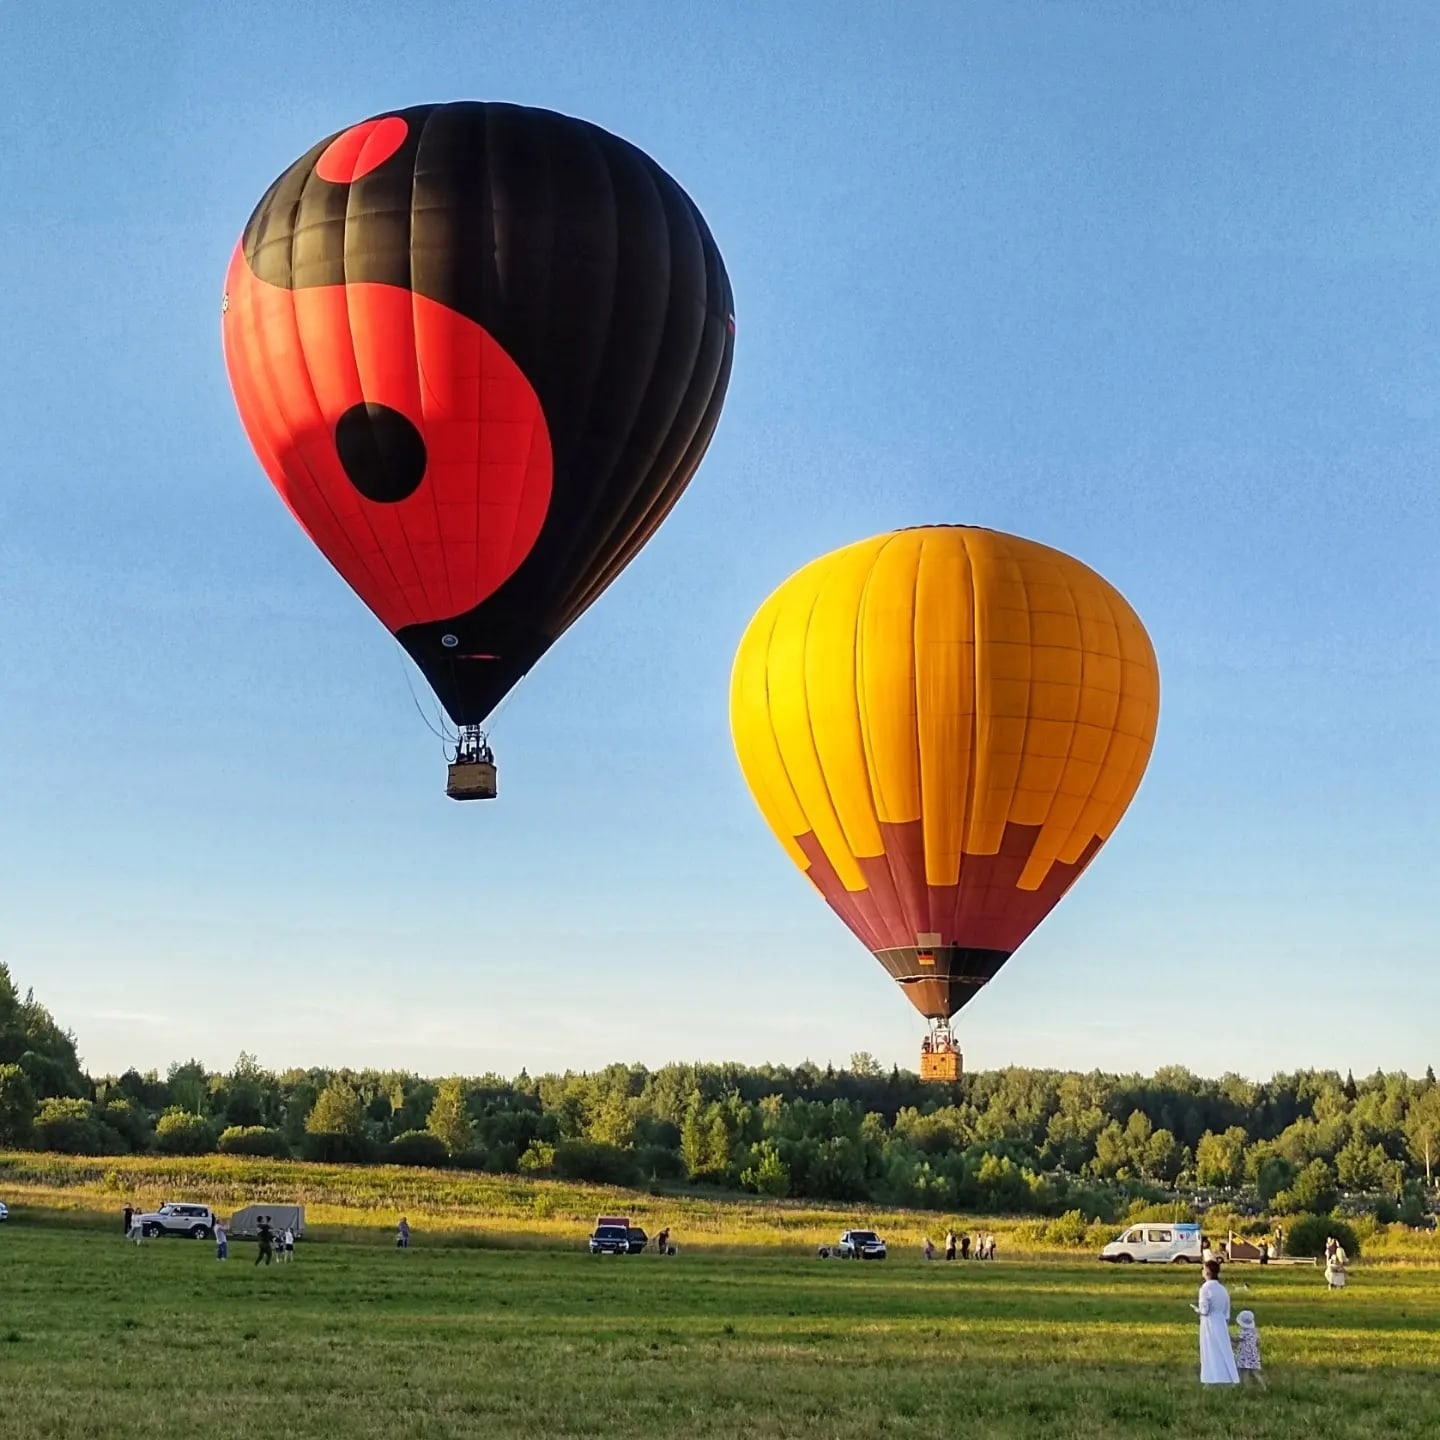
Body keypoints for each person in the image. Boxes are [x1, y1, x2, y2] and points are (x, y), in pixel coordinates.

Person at [1191, 1259, 1239, 1385]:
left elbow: (1205, 1309)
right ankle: (1228, 1377)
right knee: (1223, 1349)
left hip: (1209, 1323)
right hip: (1221, 1322)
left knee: (1210, 1349)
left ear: (1207, 1272)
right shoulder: (1222, 1289)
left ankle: (1210, 1377)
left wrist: (1198, 1310)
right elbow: (1226, 1310)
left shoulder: (1205, 1288)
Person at [1234, 1309, 1265, 1388]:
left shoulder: (1244, 1332)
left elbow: (1236, 1339)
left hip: (1245, 1356)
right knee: (1255, 1372)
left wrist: (1228, 1334)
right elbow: (1258, 1342)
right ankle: (1263, 1387)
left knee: (1245, 1373)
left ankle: (1247, 1388)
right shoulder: (1254, 1331)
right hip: (1254, 1356)